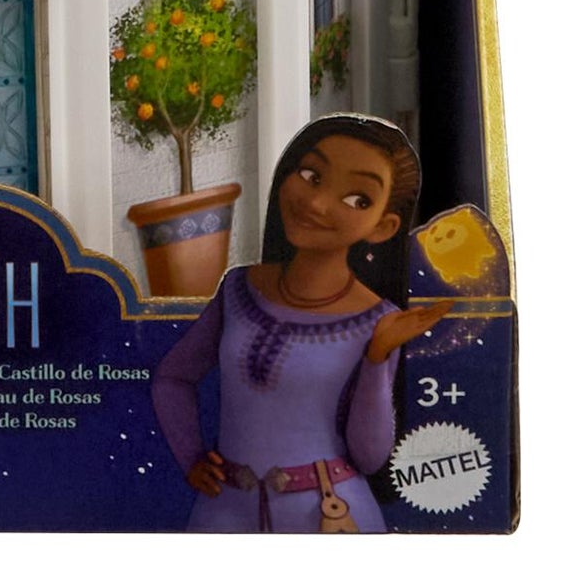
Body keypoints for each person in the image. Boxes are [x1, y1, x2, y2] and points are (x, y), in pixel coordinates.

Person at [149, 116, 448, 532]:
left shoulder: (378, 321)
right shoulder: (237, 289)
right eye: (310, 176)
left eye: (357, 199)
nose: (317, 203)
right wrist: (191, 458)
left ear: (383, 227)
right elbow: (172, 379)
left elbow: (370, 456)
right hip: (223, 514)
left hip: (329, 516)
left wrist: (378, 356)